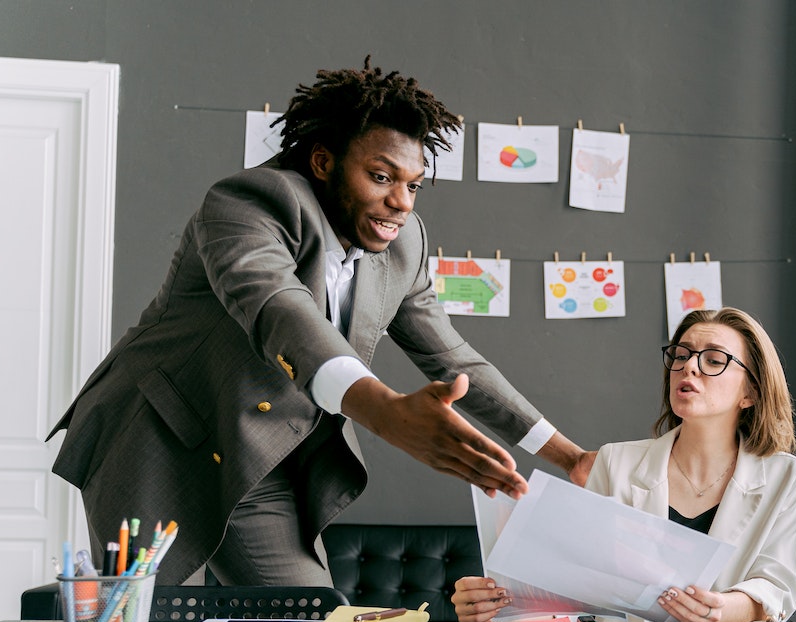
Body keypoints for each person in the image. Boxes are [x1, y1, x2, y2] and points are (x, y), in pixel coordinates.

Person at [48, 60, 591, 587]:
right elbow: (280, 310)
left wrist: (571, 457)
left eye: (414, 184)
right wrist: (383, 410)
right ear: (324, 161)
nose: (400, 202)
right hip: (157, 443)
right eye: (381, 177)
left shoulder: (403, 247)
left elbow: (452, 356)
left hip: (259, 459)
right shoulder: (249, 204)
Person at [453, 307, 796, 622]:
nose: (689, 366)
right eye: (681, 355)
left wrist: (720, 609)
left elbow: (777, 586)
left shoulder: (784, 477)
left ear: (751, 393)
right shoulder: (615, 462)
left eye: (714, 360)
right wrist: (494, 607)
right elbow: (576, 588)